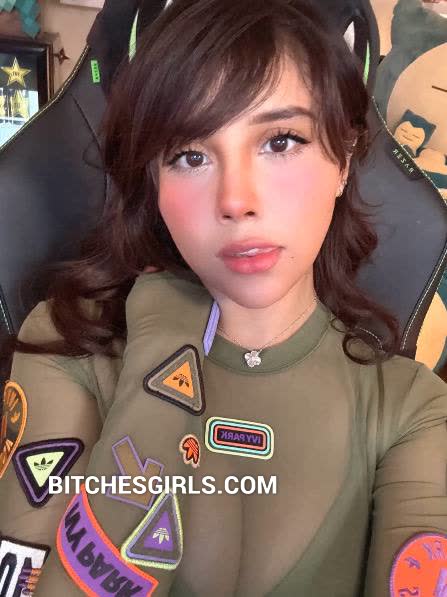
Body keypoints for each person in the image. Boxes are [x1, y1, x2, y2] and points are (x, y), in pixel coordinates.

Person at [1, 0, 447, 595]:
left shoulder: (412, 407)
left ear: (343, 158)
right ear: (153, 181)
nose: (236, 200)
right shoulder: (69, 345)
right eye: (190, 156)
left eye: (280, 141)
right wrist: (164, 361)